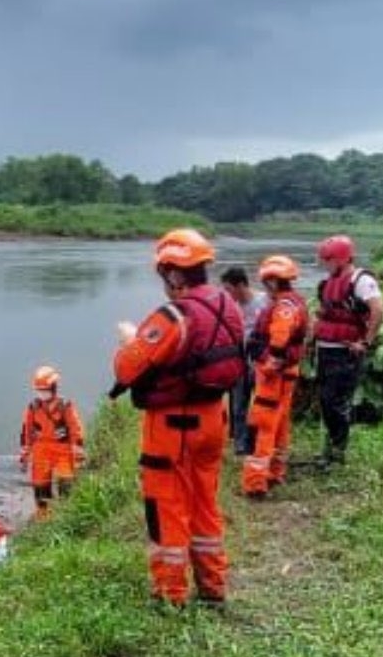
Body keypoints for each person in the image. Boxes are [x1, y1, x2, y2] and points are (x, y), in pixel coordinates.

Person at [110, 228, 244, 607]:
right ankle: (214, 588)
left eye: (164, 274)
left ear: (174, 273)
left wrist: (128, 340)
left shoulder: (175, 315)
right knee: (205, 504)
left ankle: (170, 595)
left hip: (173, 427)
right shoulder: (226, 304)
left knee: (165, 507)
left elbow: (126, 370)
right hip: (214, 419)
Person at [312, 235, 383, 469]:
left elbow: (378, 310)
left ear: (342, 259)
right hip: (325, 349)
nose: (326, 264)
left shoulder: (361, 281)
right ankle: (330, 449)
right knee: (325, 401)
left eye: (329, 260)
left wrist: (366, 342)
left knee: (336, 402)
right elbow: (322, 315)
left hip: (346, 353)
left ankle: (337, 453)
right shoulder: (328, 283)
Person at [241, 256, 309, 498]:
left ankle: (255, 483)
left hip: (273, 377)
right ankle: (275, 472)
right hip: (287, 374)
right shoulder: (295, 302)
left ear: (271, 281)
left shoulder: (284, 307)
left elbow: (279, 338)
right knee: (280, 425)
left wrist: (268, 364)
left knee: (261, 427)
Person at [19, 365, 86, 521]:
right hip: (41, 448)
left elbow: (75, 428)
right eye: (39, 390)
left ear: (53, 387)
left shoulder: (64, 405)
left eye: (45, 389)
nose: (42, 393)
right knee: (40, 483)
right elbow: (26, 431)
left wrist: (78, 451)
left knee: (66, 481)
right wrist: (25, 453)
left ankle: (67, 514)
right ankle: (44, 516)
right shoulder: (33, 407)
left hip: (62, 448)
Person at [220, 266, 268, 462]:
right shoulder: (231, 307)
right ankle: (240, 445)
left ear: (241, 285)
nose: (227, 294)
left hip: (261, 362)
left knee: (260, 404)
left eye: (229, 289)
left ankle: (257, 442)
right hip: (239, 361)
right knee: (239, 404)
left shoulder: (264, 301)